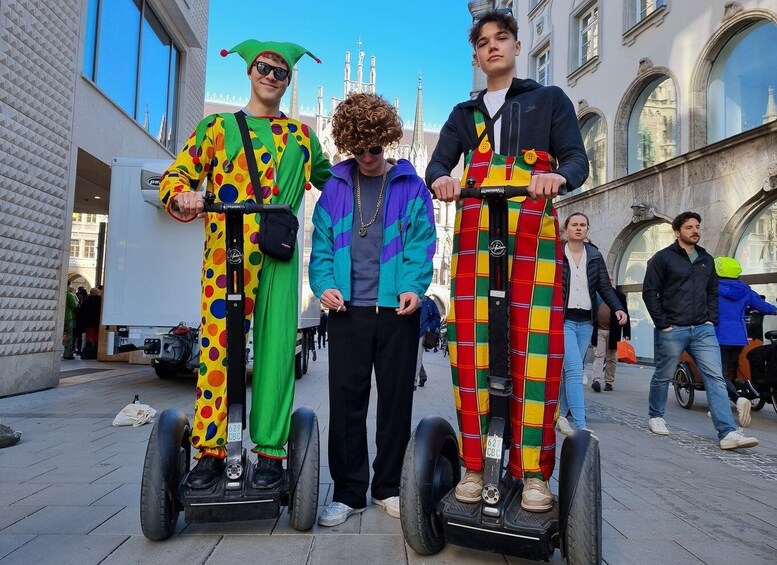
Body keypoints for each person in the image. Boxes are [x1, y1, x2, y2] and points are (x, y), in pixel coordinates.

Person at [425, 11, 589, 512]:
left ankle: (534, 473)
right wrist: (442, 181)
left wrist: (557, 178)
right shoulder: (463, 114)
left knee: (534, 349)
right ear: (475, 55)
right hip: (477, 232)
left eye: (501, 39)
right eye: (483, 42)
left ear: (517, 47)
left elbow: (578, 161)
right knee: (471, 347)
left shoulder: (548, 100)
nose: (492, 46)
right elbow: (437, 163)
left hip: (534, 233)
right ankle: (476, 464)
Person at [159, 38, 331, 490]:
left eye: (281, 72)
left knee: (276, 352)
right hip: (225, 253)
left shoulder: (301, 136)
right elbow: (177, 174)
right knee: (218, 350)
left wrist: (381, 166)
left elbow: (333, 182)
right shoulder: (216, 127)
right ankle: (211, 451)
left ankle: (271, 452)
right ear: (249, 71)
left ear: (288, 80)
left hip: (279, 254)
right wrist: (182, 194)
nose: (271, 76)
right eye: (264, 67)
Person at [310, 92, 436, 526]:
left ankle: (387, 488)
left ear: (388, 142)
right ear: (348, 144)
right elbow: (321, 246)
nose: (367, 157)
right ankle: (347, 493)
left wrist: (414, 287)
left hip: (397, 311)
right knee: (346, 404)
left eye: (375, 148)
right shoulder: (334, 188)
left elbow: (422, 244)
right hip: (348, 311)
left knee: (396, 403)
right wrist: (324, 285)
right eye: (358, 148)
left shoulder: (411, 186)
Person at [642, 211, 758, 450]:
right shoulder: (662, 258)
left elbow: (712, 292)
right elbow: (649, 292)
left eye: (697, 226)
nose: (695, 231)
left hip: (703, 330)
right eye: (689, 227)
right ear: (677, 232)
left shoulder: (706, 259)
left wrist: (711, 320)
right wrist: (662, 323)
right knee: (663, 375)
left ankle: (727, 433)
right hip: (672, 328)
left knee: (715, 377)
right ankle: (656, 416)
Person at [557, 213, 626, 435]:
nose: (578, 228)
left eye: (583, 225)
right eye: (574, 224)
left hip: (586, 321)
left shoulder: (595, 256)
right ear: (565, 229)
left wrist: (618, 308)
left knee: (571, 372)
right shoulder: (557, 253)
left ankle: (560, 415)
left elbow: (605, 287)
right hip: (563, 320)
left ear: (588, 230)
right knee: (576, 371)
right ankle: (581, 425)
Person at [714, 256, 777, 427]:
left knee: (718, 374)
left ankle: (738, 400)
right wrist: (775, 310)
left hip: (717, 336)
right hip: (738, 338)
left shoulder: (712, 288)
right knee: (728, 370)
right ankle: (723, 401)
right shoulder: (745, 290)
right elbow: (763, 307)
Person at [591, 273, 631, 393]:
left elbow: (626, 315)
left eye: (611, 279)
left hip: (613, 332)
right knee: (599, 355)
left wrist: (626, 333)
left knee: (611, 358)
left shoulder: (620, 296)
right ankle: (596, 380)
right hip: (598, 330)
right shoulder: (596, 294)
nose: (610, 281)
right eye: (607, 279)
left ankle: (609, 382)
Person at [415, 295, 441, 388]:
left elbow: (437, 317)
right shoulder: (409, 298)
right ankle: (422, 375)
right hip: (408, 332)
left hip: (422, 333)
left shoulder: (429, 302)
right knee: (412, 357)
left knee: (417, 356)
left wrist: (429, 327)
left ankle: (413, 382)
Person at [80, 287, 102, 359]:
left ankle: (89, 351)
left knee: (89, 336)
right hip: (98, 322)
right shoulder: (101, 301)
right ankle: (95, 352)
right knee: (96, 336)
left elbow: (82, 311)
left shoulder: (87, 301)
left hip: (89, 322)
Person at [62, 287, 78, 360]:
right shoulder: (69, 294)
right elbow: (74, 305)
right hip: (68, 317)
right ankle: (67, 354)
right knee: (69, 336)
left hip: (59, 316)